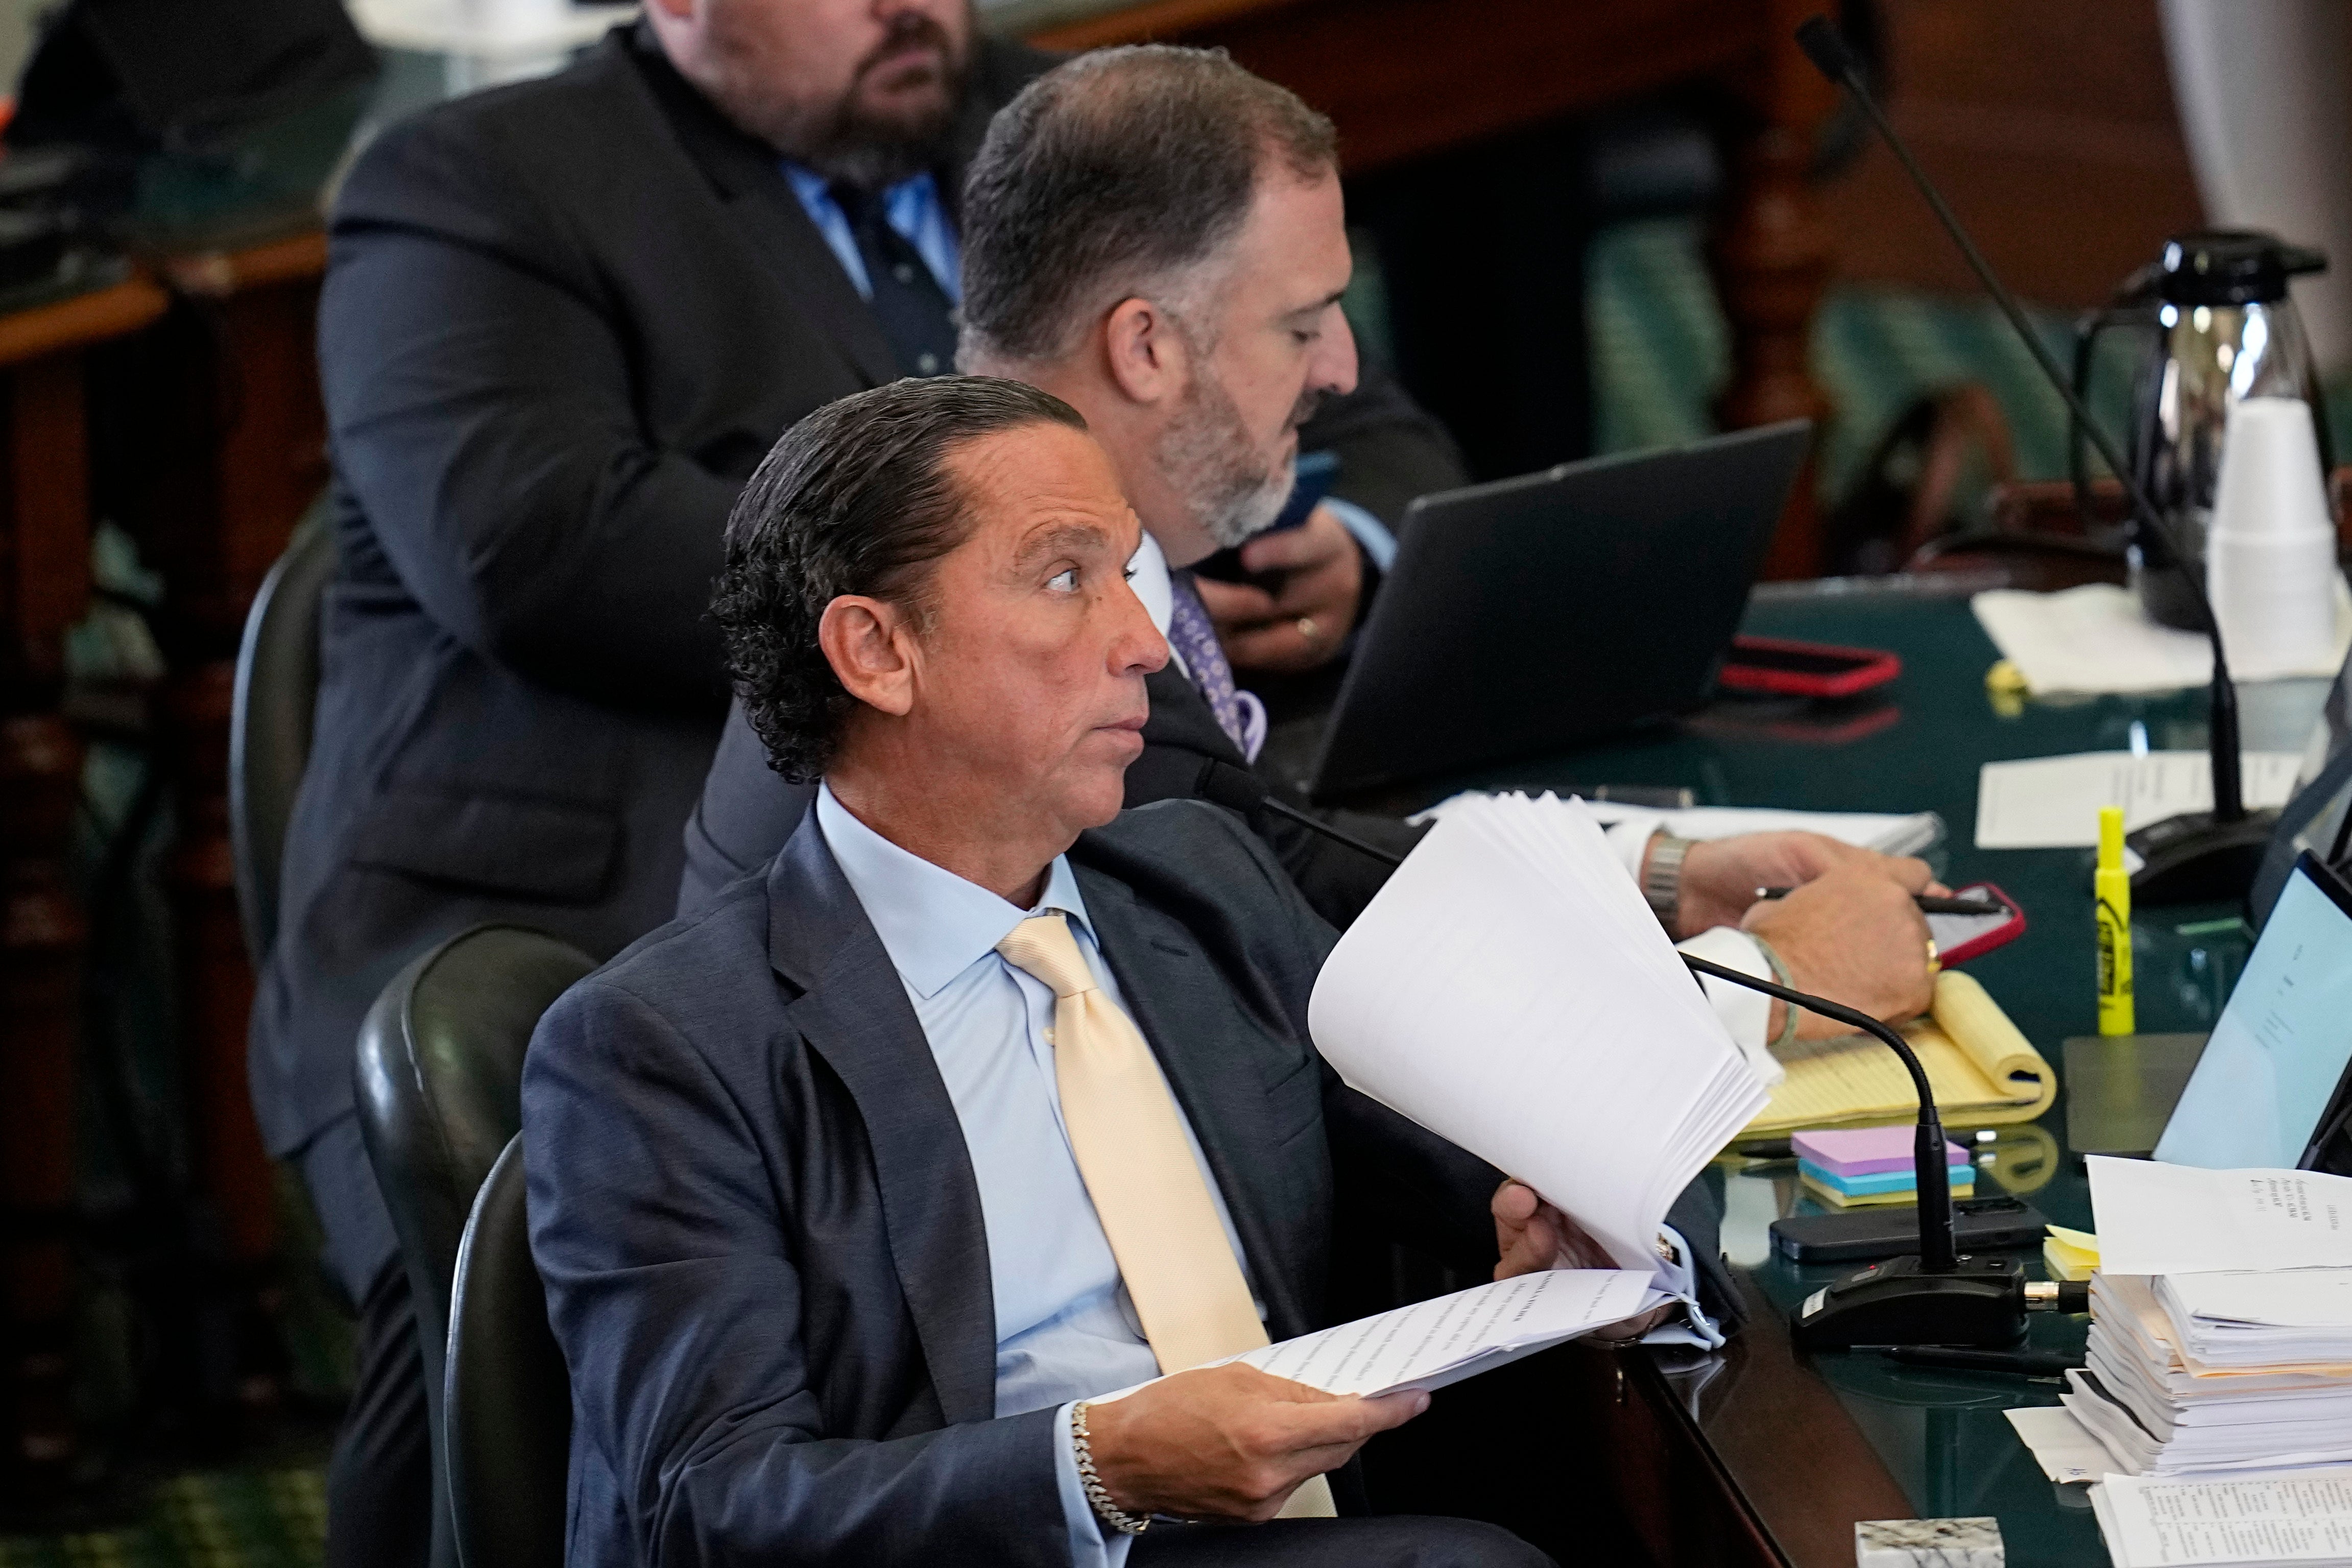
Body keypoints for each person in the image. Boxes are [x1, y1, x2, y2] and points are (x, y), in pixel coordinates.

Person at [258, 8, 1458, 1564]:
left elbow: (1345, 394)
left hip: (973, 817)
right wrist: (956, 588)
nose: (921, 9)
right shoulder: (478, 181)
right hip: (580, 878)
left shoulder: (1038, 131)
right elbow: (531, 544)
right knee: (572, 1331)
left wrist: (1300, 542)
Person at [527, 373, 1684, 1567]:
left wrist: (1561, 1222)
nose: (1143, 645)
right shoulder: (660, 1045)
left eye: (1129, 576)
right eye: (1066, 578)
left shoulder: (1198, 879)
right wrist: (1098, 1465)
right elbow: (707, 1507)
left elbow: (1458, 1167)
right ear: (876, 651)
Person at [677, 45, 1941, 1056]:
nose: (1339, 369)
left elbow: (1275, 846)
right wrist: (1775, 985)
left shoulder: (1060, 569)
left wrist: (1655, 876)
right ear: (1146, 349)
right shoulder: (1021, 660)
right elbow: (1320, 1016)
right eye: (1302, 324)